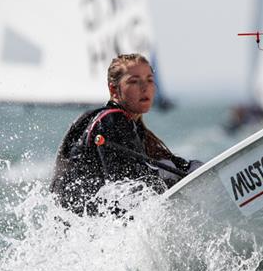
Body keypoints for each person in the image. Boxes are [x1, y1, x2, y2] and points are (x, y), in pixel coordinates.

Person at [51, 54, 199, 217]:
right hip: (92, 227)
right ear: (114, 90)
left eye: (149, 80)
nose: (145, 87)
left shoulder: (125, 125)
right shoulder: (111, 120)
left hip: (77, 229)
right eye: (134, 81)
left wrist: (187, 169)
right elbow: (132, 185)